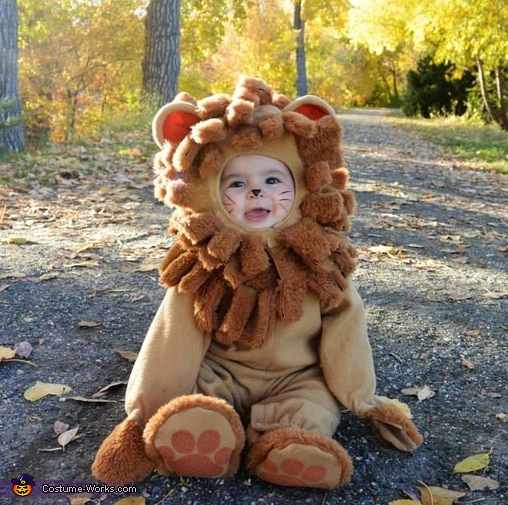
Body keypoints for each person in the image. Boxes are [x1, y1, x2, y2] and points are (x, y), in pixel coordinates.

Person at [92, 75, 423, 490]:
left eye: (272, 180)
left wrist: (363, 398)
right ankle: (201, 427)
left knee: (316, 405)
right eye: (236, 183)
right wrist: (142, 414)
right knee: (190, 396)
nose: (255, 193)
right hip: (221, 370)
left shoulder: (320, 260)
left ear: (303, 184)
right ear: (209, 190)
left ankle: (288, 445)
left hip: (299, 375)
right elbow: (174, 336)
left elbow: (346, 327)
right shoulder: (206, 264)